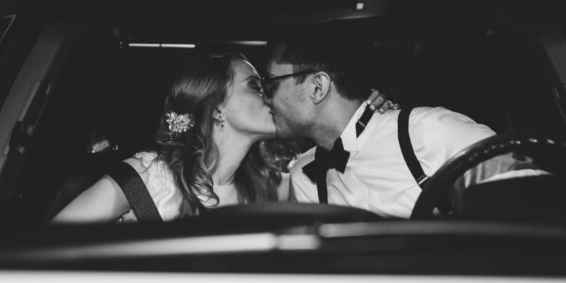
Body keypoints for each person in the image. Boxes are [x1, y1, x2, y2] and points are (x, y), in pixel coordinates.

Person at [52, 51, 396, 223]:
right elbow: (49, 250)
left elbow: (357, 178)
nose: (269, 95)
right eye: (254, 86)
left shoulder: (272, 185)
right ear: (216, 106)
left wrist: (366, 119)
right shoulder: (151, 177)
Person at [264, 38, 532, 218]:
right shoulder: (304, 176)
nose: (266, 97)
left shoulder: (431, 132)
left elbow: (531, 205)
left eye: (271, 85)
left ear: (317, 87)